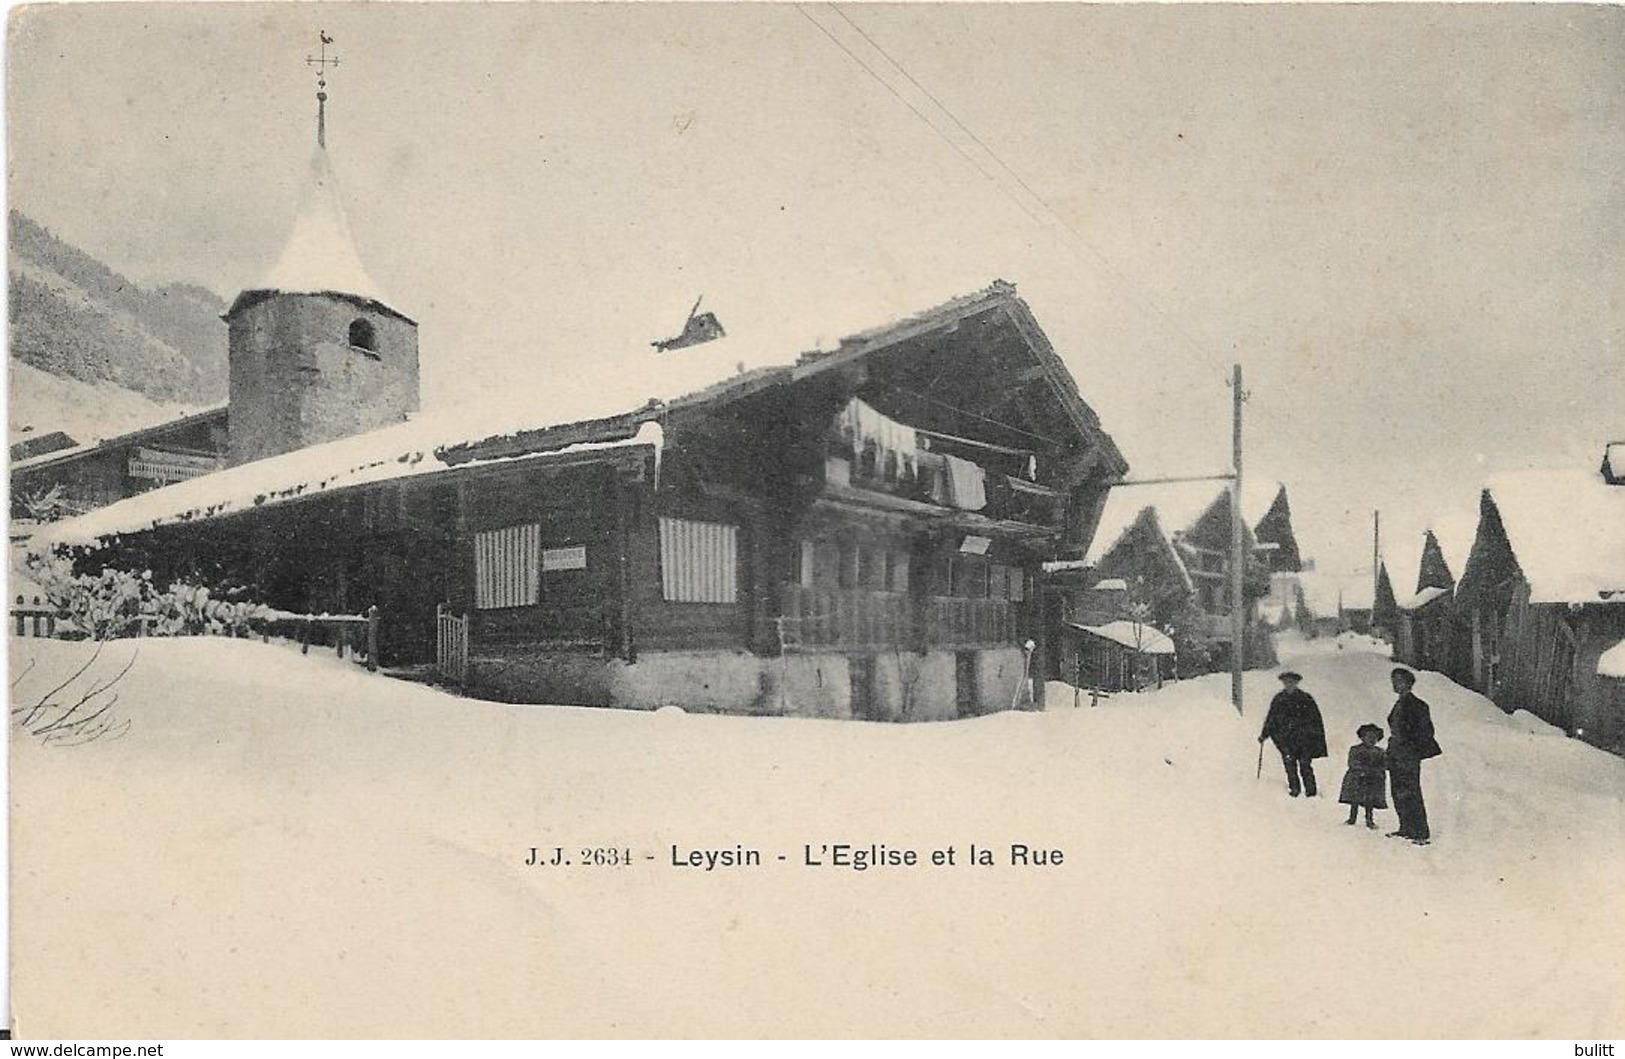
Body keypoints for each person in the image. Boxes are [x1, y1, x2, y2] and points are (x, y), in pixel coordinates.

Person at [1386, 667, 1442, 845]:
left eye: (1399, 681)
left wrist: (1412, 749)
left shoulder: (1418, 705)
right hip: (1395, 753)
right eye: (1393, 680)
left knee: (1411, 790)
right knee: (1398, 790)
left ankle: (1419, 832)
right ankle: (1405, 827)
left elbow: (1426, 732)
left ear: (1408, 683)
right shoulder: (1399, 703)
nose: (1395, 684)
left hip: (1408, 755)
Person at [1259, 670, 1328, 797]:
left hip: (1304, 740)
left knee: (1304, 765)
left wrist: (1312, 736)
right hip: (1286, 740)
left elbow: (1315, 720)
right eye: (1286, 682)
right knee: (1290, 765)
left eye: (1291, 682)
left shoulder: (1306, 699)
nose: (1289, 684)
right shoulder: (1279, 699)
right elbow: (1271, 719)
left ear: (1296, 683)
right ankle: (1294, 789)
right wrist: (1264, 734)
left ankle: (1310, 791)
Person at [1338, 723, 1388, 829]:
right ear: (1362, 737)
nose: (1372, 740)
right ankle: (1352, 818)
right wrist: (1361, 770)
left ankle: (1369, 820)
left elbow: (1384, 765)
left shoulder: (1380, 752)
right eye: (1369, 737)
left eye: (1374, 738)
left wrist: (1378, 772)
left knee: (1369, 801)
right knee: (1355, 799)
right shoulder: (1355, 749)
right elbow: (1352, 763)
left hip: (1373, 780)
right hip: (1358, 779)